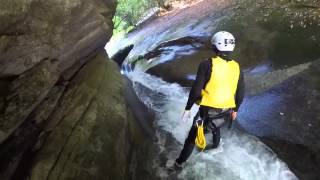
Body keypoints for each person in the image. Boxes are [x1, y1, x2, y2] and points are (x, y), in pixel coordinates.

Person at [174, 31, 245, 169]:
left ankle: (178, 163)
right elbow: (241, 91)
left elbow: (196, 89)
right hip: (227, 110)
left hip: (207, 111)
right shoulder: (237, 66)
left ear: (215, 47)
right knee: (216, 127)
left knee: (191, 138)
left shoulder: (207, 64)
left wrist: (188, 108)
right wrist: (236, 109)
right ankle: (215, 147)